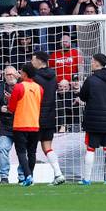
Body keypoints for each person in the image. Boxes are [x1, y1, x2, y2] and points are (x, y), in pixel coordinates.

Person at [77, 52, 106, 185]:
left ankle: (87, 179)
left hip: (93, 120)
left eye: (92, 61)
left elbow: (83, 97)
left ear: (96, 63)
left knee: (90, 148)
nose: (91, 63)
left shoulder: (91, 80)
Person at [30, 51, 67, 184]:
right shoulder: (53, 76)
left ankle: (29, 178)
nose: (31, 62)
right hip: (50, 116)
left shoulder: (34, 77)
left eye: (33, 59)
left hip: (36, 116)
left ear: (40, 61)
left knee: (31, 149)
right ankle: (58, 174)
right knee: (47, 147)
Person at [7, 64, 44, 187]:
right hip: (35, 124)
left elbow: (11, 108)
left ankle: (27, 176)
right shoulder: (40, 88)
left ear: (24, 74)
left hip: (21, 124)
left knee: (21, 152)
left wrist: (10, 100)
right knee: (32, 152)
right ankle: (31, 176)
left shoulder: (19, 87)